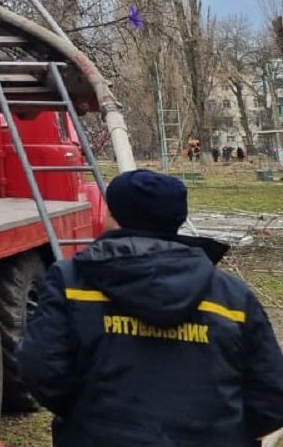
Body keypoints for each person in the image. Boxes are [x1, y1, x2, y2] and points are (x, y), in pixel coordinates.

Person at [18, 169, 283, 446]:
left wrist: (87, 419)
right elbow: (272, 395)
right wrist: (222, 431)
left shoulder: (71, 282)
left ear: (113, 217)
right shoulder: (232, 297)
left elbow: (41, 369)